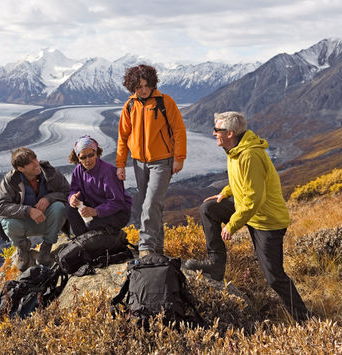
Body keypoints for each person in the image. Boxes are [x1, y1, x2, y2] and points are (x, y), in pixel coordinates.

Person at [184, 111, 310, 322]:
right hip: (249, 211)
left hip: (266, 221)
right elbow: (241, 182)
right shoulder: (235, 150)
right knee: (209, 208)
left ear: (230, 133)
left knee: (274, 276)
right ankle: (216, 265)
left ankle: (304, 319)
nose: (213, 133)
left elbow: (254, 199)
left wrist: (232, 225)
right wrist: (226, 191)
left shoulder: (250, 155)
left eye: (217, 130)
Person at [116, 64, 187, 257]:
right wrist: (120, 164)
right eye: (139, 87)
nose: (144, 90)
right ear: (133, 87)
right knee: (154, 207)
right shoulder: (130, 105)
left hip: (162, 161)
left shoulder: (165, 102)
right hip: (139, 163)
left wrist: (179, 158)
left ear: (152, 83)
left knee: (151, 203)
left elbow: (179, 131)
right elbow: (123, 136)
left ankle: (145, 247)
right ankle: (158, 251)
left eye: (146, 85)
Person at [0, 147, 70, 271]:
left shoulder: (50, 172)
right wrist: (28, 211)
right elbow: (1, 207)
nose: (36, 163)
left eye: (35, 158)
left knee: (59, 207)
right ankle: (23, 250)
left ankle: (46, 249)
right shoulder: (11, 180)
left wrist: (49, 198)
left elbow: (67, 193)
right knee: (8, 223)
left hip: (47, 220)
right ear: (20, 168)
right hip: (25, 223)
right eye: (30, 162)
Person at [67, 135, 132, 236]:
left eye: (91, 155)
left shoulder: (108, 172)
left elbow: (118, 202)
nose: (88, 160)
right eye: (83, 157)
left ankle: (104, 241)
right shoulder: (78, 171)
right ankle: (84, 243)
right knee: (71, 211)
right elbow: (74, 189)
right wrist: (72, 198)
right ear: (78, 158)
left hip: (118, 213)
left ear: (96, 153)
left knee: (91, 224)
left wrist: (96, 211)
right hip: (95, 208)